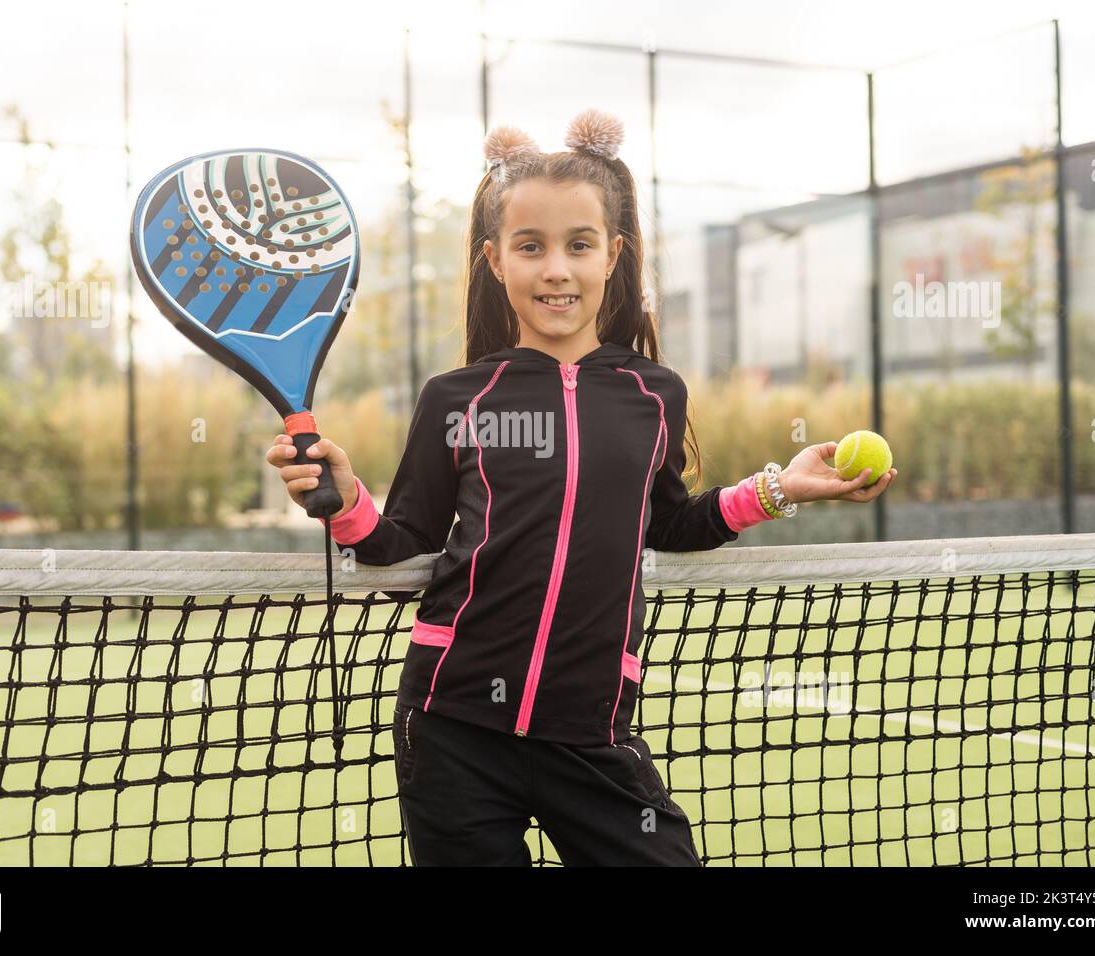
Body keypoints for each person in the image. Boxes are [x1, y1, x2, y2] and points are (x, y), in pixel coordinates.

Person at [266, 108, 897, 866]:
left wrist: (780, 487)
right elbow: (400, 543)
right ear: (495, 260)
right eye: (530, 247)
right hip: (453, 727)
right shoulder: (455, 398)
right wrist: (339, 497)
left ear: (612, 256)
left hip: (591, 731)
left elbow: (667, 521)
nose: (555, 269)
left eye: (579, 245)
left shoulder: (652, 392)